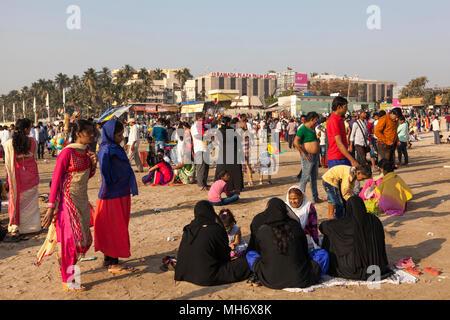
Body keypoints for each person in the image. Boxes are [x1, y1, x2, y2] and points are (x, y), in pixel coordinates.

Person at [38, 120, 98, 292]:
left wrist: (93, 164)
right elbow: (56, 180)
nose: (93, 135)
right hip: (67, 201)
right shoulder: (67, 153)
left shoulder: (86, 152)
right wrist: (50, 207)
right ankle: (69, 280)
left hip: (82, 200)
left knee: (84, 240)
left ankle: (63, 262)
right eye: (89, 132)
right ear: (79, 134)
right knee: (73, 241)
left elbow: (86, 176)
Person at [245, 198, 328, 289]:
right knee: (322, 254)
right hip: (300, 278)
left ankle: (259, 276)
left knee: (250, 254)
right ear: (285, 211)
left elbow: (260, 253)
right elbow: (304, 251)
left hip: (270, 279)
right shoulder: (295, 226)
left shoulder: (263, 230)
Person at [93, 119, 138, 274]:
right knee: (114, 228)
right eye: (119, 135)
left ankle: (108, 259)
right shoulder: (107, 149)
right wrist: (113, 182)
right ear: (111, 134)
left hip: (121, 192)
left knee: (115, 226)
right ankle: (113, 263)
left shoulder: (114, 147)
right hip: (112, 194)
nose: (121, 137)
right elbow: (106, 171)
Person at [174, 201, 251, 286]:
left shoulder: (188, 229)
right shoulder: (216, 230)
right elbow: (224, 257)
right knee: (248, 261)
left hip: (184, 272)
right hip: (206, 276)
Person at [319, 196, 393, 281]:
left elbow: (323, 227)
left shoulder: (345, 224)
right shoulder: (374, 220)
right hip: (378, 266)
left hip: (351, 268)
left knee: (330, 236)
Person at [3, 119, 41, 242]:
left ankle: (18, 225)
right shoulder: (32, 142)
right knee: (31, 203)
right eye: (29, 127)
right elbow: (34, 156)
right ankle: (32, 226)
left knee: (18, 202)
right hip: (31, 176)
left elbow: (8, 164)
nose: (30, 130)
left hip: (17, 177)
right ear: (26, 129)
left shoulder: (9, 144)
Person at [294, 111, 322, 204]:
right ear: (312, 119)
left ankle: (315, 197)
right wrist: (304, 153)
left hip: (314, 156)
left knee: (314, 178)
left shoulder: (312, 128)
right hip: (307, 156)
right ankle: (301, 199)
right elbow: (296, 142)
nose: (316, 122)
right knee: (305, 178)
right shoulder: (303, 129)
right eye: (316, 120)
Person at [326, 97, 359, 169]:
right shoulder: (333, 121)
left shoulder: (340, 119)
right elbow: (339, 143)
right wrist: (352, 160)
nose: (346, 109)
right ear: (339, 107)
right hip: (336, 157)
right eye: (345, 107)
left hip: (343, 156)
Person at [285, 186, 320, 251]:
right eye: (290, 199)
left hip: (306, 239)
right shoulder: (285, 207)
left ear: (302, 197)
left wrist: (316, 242)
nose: (292, 201)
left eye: (295, 198)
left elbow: (313, 227)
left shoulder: (308, 206)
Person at [214, 116, 244, 193]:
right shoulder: (231, 130)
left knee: (222, 169)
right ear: (228, 122)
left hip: (223, 152)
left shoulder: (219, 130)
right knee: (234, 170)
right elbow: (238, 139)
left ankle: (219, 186)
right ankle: (236, 186)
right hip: (232, 152)